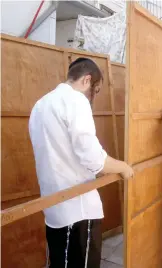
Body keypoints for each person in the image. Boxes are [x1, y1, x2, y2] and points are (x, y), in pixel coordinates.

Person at [29, 57, 134, 268]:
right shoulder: (76, 101)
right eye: (96, 90)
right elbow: (93, 157)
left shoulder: (40, 105)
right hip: (78, 213)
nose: (93, 97)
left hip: (54, 208)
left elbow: (62, 153)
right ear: (87, 80)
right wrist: (123, 167)